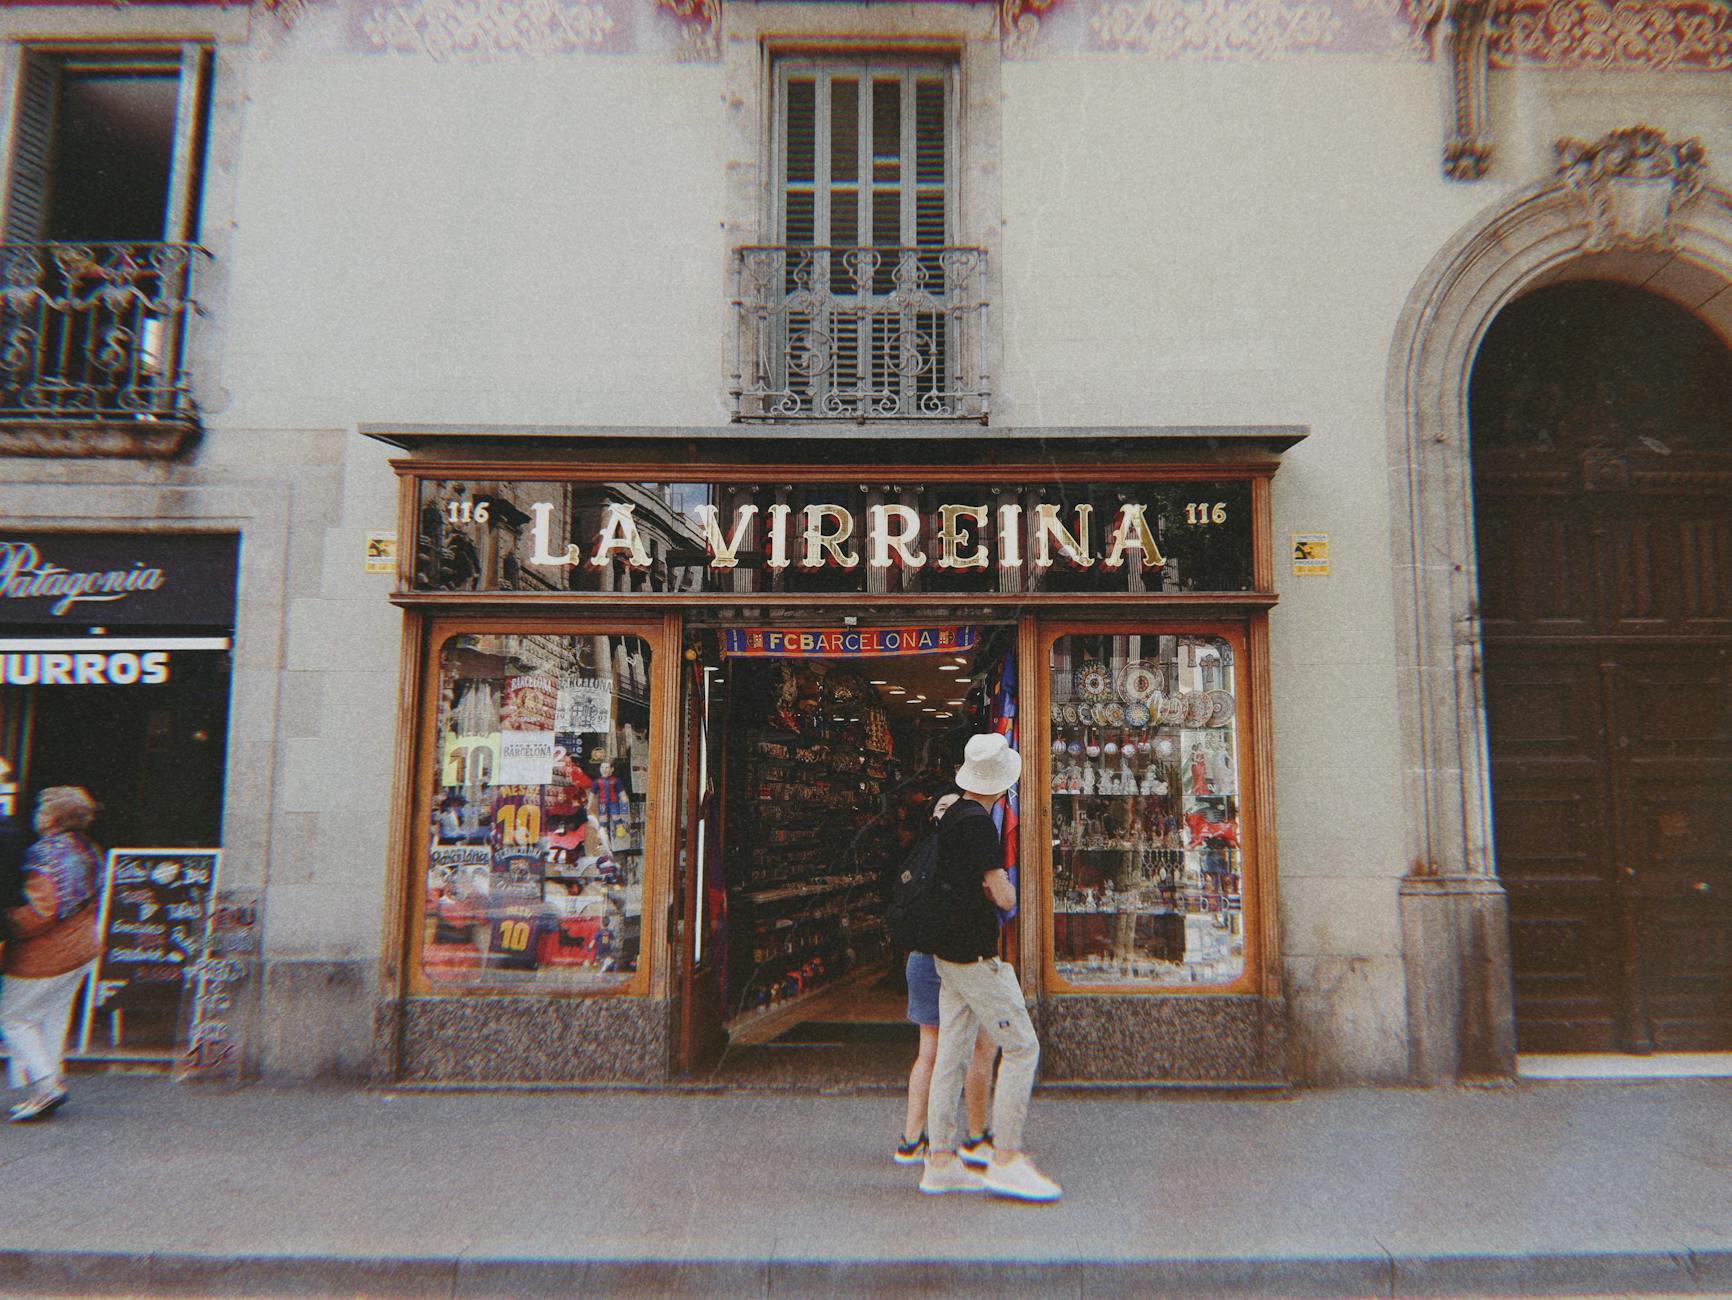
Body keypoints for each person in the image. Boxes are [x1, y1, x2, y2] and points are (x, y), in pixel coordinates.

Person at [919, 733, 1061, 1202]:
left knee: (951, 1055)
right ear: (1002, 781)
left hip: (946, 950)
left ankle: (940, 1160)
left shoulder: (948, 811)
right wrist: (1005, 891)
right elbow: (1002, 892)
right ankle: (1006, 1158)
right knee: (1021, 1047)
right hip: (975, 953)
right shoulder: (980, 825)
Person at [896, 791, 999, 1168]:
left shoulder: (921, 854)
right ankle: (974, 1135)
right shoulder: (964, 851)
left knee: (933, 1051)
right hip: (955, 959)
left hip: (923, 957)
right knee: (978, 1046)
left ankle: (912, 1140)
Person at [1, 787, 103, 1123]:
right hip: (82, 945)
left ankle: (46, 1087)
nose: (37, 815)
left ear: (53, 819)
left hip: (48, 953)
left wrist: (9, 923)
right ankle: (44, 1087)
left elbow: (42, 911)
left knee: (12, 1017)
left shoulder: (45, 854)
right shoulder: (88, 849)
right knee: (50, 1019)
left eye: (42, 810)